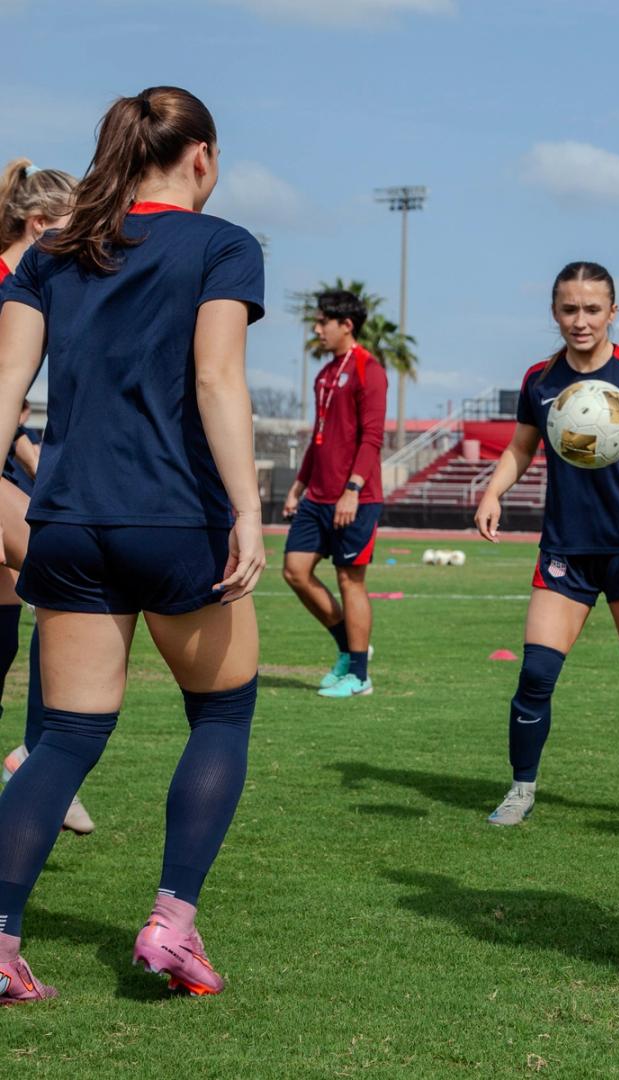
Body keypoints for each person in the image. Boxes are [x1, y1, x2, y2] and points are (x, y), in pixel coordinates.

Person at [0, 85, 265, 1003]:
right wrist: (248, 508)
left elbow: (4, 389)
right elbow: (216, 377)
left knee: (65, 738)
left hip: (67, 520)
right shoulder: (224, 243)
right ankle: (171, 927)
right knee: (223, 715)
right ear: (202, 156)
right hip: (175, 516)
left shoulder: (49, 255)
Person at [475, 261, 619, 829]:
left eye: (593, 309)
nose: (581, 320)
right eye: (570, 309)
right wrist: (493, 492)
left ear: (612, 312)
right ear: (555, 313)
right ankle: (521, 790)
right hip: (566, 552)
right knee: (535, 676)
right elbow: (519, 450)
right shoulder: (540, 381)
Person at [0, 161, 92, 834]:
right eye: (72, 225)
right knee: (59, 575)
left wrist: (31, 455)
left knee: (7, 631)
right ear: (38, 225)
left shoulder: (32, 284)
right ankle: (38, 753)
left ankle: (31, 756)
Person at [282, 290, 387, 699]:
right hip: (318, 497)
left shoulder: (369, 369)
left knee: (349, 580)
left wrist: (353, 490)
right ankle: (350, 647)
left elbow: (372, 437)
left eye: (323, 321)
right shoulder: (324, 375)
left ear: (347, 325)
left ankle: (359, 676)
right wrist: (297, 487)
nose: (316, 328)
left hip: (355, 497)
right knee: (294, 571)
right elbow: (319, 437)